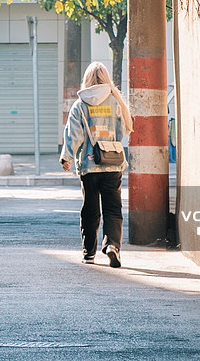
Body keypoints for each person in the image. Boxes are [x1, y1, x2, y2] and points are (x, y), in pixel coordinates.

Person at [59, 62, 134, 267]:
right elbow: (125, 130)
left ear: (87, 79)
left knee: (90, 209)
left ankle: (88, 253)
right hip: (113, 163)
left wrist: (67, 157)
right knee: (113, 208)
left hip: (89, 166)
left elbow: (74, 134)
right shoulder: (116, 101)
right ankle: (112, 246)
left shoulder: (81, 104)